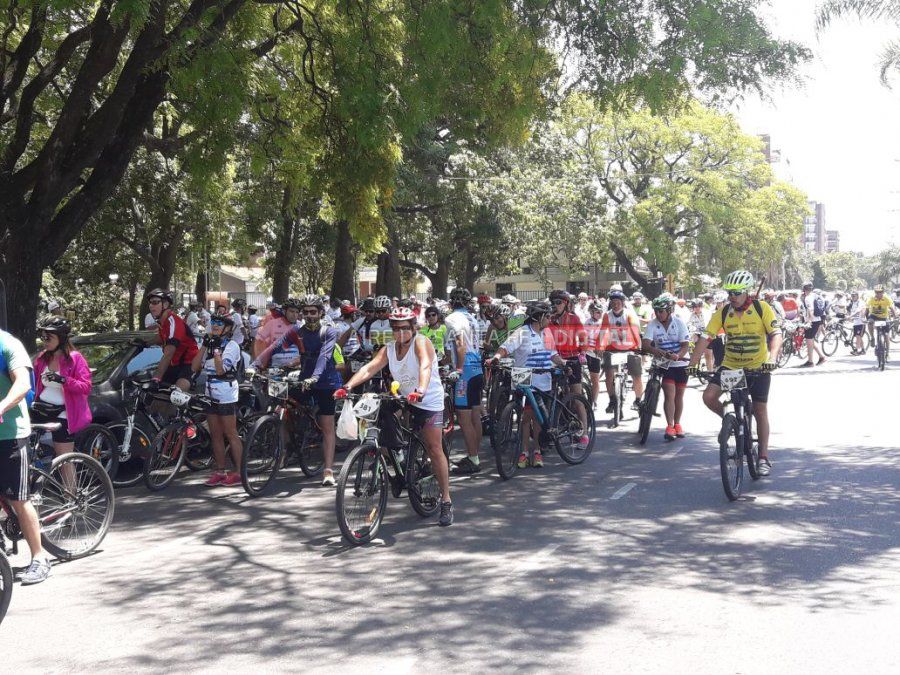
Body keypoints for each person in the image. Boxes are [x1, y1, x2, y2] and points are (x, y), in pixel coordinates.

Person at [335, 307, 453, 526]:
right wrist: (347, 386)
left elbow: (425, 365)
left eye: (405, 328)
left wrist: (421, 389)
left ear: (413, 327)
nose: (400, 333)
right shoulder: (389, 348)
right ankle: (398, 460)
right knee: (382, 420)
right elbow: (370, 368)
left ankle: (446, 500)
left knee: (434, 447)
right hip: (404, 397)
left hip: (427, 399)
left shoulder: (421, 342)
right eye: (396, 329)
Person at [688, 270, 781, 476]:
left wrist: (772, 359)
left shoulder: (761, 308)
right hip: (732, 368)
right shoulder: (723, 313)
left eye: (737, 292)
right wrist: (692, 364)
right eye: (729, 292)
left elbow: (775, 333)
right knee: (708, 397)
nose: (732, 296)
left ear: (747, 291)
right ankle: (730, 422)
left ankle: (763, 457)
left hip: (758, 367)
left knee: (760, 410)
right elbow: (706, 337)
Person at [254, 295, 342, 486]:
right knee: (283, 403)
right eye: (306, 312)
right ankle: (290, 443)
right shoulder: (296, 331)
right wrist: (255, 364)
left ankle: (328, 471)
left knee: (327, 425)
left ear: (321, 313)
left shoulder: (328, 331)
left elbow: (324, 357)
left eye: (313, 312)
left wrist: (315, 377)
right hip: (305, 380)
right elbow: (275, 347)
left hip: (326, 382)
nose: (309, 315)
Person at [491, 300, 568, 468]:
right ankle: (524, 452)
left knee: (536, 418)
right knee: (526, 417)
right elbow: (506, 347)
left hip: (542, 379)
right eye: (547, 316)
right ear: (538, 317)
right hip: (523, 377)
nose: (549, 319)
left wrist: (563, 363)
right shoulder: (522, 332)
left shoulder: (547, 333)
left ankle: (537, 450)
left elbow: (552, 355)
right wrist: (496, 357)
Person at [1, 328, 51, 584]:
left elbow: (22, 383)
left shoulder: (7, 345)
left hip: (10, 433)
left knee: (19, 499)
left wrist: (1, 406)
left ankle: (40, 558)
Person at [192, 315, 244, 486]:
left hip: (226, 392)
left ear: (227, 328)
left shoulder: (232, 346)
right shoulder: (209, 344)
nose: (214, 325)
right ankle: (220, 471)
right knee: (215, 433)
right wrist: (204, 346)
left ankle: (239, 472)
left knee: (230, 432)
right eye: (213, 322)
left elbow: (221, 370)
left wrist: (216, 351)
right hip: (210, 391)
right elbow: (194, 367)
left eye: (219, 323)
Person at [31, 318, 93, 459]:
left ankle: (68, 475)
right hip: (42, 409)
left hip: (64, 413)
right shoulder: (42, 358)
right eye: (42, 337)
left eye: (48, 338)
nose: (45, 341)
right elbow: (32, 383)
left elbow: (86, 387)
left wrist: (63, 380)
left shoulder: (75, 358)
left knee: (64, 459)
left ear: (62, 338)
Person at [445, 287, 485, 475]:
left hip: (466, 370)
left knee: (463, 418)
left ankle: (473, 459)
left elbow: (460, 344)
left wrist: (458, 369)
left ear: (451, 302)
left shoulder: (452, 318)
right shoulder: (472, 318)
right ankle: (474, 454)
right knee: (475, 415)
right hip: (477, 367)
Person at [642, 294, 690, 440]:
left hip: (680, 363)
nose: (658, 314)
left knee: (679, 396)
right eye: (656, 311)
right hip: (663, 364)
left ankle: (677, 424)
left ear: (669, 311)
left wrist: (678, 355)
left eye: (661, 311)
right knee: (670, 394)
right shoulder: (652, 324)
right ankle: (669, 426)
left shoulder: (679, 323)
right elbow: (645, 344)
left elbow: (685, 345)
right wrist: (657, 351)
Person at [547, 290, 590, 448]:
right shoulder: (548, 319)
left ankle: (584, 433)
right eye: (553, 303)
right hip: (554, 359)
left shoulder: (573, 318)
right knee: (550, 396)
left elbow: (583, 337)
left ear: (565, 304)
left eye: (558, 302)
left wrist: (582, 352)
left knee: (576, 397)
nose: (555, 305)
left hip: (571, 358)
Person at [598, 290, 644, 412]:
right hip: (612, 349)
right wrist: (600, 347)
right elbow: (602, 332)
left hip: (630, 348)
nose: (615, 305)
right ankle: (612, 400)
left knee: (636, 375)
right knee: (608, 374)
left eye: (618, 302)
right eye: (613, 302)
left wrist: (639, 348)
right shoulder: (607, 315)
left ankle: (638, 400)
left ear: (623, 303)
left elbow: (636, 331)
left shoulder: (630, 314)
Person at [147, 288, 199, 391]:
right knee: (157, 397)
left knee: (175, 395)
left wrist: (156, 379)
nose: (151, 306)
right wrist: (144, 343)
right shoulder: (163, 322)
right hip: (174, 364)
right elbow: (160, 338)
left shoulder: (173, 322)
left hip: (189, 364)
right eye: (150, 303)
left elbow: (168, 354)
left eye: (155, 302)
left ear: (166, 304)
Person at [865, 284, 897, 355]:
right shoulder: (871, 298)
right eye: (877, 292)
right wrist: (865, 318)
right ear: (875, 292)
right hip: (874, 316)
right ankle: (872, 337)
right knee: (870, 322)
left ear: (883, 292)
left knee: (886, 335)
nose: (878, 294)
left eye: (880, 292)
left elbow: (892, 308)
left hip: (884, 317)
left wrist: (895, 317)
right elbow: (867, 309)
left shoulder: (887, 298)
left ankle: (887, 352)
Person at [800, 282, 826, 367]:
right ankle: (822, 357)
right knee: (811, 340)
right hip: (817, 319)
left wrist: (809, 321)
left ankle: (810, 361)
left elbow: (810, 309)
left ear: (804, 289)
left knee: (809, 340)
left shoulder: (808, 298)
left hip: (812, 321)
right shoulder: (815, 295)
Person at [848, 290, 866, 354]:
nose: (852, 297)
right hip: (856, 322)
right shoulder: (853, 303)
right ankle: (863, 350)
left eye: (854, 296)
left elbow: (858, 311)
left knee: (858, 336)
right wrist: (850, 318)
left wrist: (850, 316)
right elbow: (853, 311)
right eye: (852, 296)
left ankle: (856, 350)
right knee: (858, 336)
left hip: (861, 322)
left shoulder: (860, 302)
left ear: (857, 296)